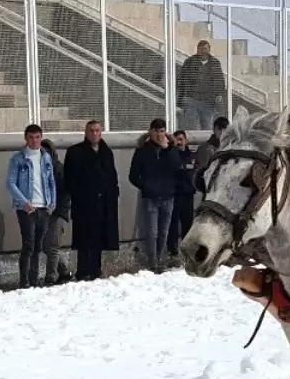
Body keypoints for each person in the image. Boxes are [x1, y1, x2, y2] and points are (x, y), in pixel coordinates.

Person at [63, 120, 119, 281]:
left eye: (97, 131)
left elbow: (112, 176)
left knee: (100, 238)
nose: (94, 134)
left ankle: (96, 270)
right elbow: (69, 179)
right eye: (91, 131)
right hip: (84, 204)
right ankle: (83, 271)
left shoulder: (106, 152)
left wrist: (113, 192)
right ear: (86, 133)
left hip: (104, 203)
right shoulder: (75, 152)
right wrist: (81, 195)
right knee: (84, 238)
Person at [129, 118, 184, 271]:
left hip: (168, 196)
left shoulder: (171, 149)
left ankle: (159, 259)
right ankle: (152, 262)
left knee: (164, 231)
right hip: (151, 197)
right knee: (152, 231)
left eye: (162, 131)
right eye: (156, 131)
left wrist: (168, 149)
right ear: (151, 132)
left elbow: (177, 167)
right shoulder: (142, 150)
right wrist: (146, 186)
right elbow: (133, 175)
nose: (160, 135)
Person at [6, 124, 57, 288]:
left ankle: (34, 280)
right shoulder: (18, 159)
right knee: (28, 244)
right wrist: (24, 202)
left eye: (37, 137)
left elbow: (51, 181)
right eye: (31, 137)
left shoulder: (46, 157)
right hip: (27, 207)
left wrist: (52, 202)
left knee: (38, 246)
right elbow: (10, 183)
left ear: (41, 138)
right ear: (26, 138)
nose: (34, 141)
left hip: (44, 206)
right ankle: (24, 281)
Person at [39, 139, 73, 285]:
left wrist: (59, 211)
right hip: (43, 212)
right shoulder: (39, 170)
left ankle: (51, 278)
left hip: (57, 211)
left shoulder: (59, 169)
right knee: (45, 246)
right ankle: (64, 270)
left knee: (51, 245)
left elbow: (66, 192)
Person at [177, 40, 226, 131]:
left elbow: (220, 81)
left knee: (207, 127)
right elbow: (181, 80)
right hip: (191, 100)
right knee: (193, 127)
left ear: (209, 50)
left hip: (208, 101)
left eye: (205, 49)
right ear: (197, 50)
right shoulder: (189, 62)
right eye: (200, 49)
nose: (202, 51)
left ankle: (206, 145)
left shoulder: (215, 63)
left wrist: (219, 94)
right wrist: (181, 97)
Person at [167, 129, 196, 260]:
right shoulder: (172, 155)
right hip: (175, 195)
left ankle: (187, 253)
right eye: (176, 140)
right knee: (172, 226)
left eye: (181, 139)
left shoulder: (192, 156)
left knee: (188, 225)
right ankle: (172, 253)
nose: (179, 142)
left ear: (186, 140)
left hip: (188, 196)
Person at [193, 116, 230, 196]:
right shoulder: (206, 149)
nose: (222, 132)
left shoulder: (229, 147)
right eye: (219, 129)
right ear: (214, 130)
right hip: (209, 192)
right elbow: (204, 173)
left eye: (225, 129)